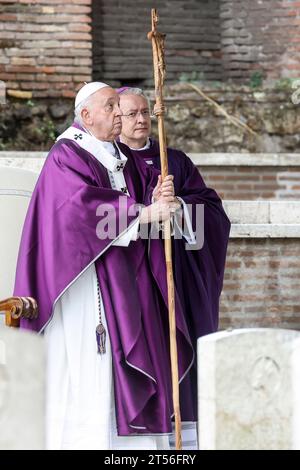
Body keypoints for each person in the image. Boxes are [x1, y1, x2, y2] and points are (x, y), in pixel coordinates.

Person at [13, 82, 194, 450]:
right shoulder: (68, 154)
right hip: (79, 281)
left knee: (112, 367)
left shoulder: (111, 153)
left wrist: (155, 201)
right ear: (86, 115)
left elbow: (122, 208)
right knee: (87, 365)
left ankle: (118, 445)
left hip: (113, 275)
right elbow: (79, 210)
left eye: (118, 107)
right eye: (111, 107)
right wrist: (144, 213)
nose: (119, 114)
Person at [118, 87, 231, 441]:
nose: (141, 119)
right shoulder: (110, 161)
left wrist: (179, 204)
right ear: (116, 117)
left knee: (180, 345)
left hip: (175, 274)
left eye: (144, 113)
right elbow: (105, 215)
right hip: (134, 277)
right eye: (132, 113)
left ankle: (184, 436)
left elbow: (212, 209)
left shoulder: (174, 160)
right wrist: (145, 208)